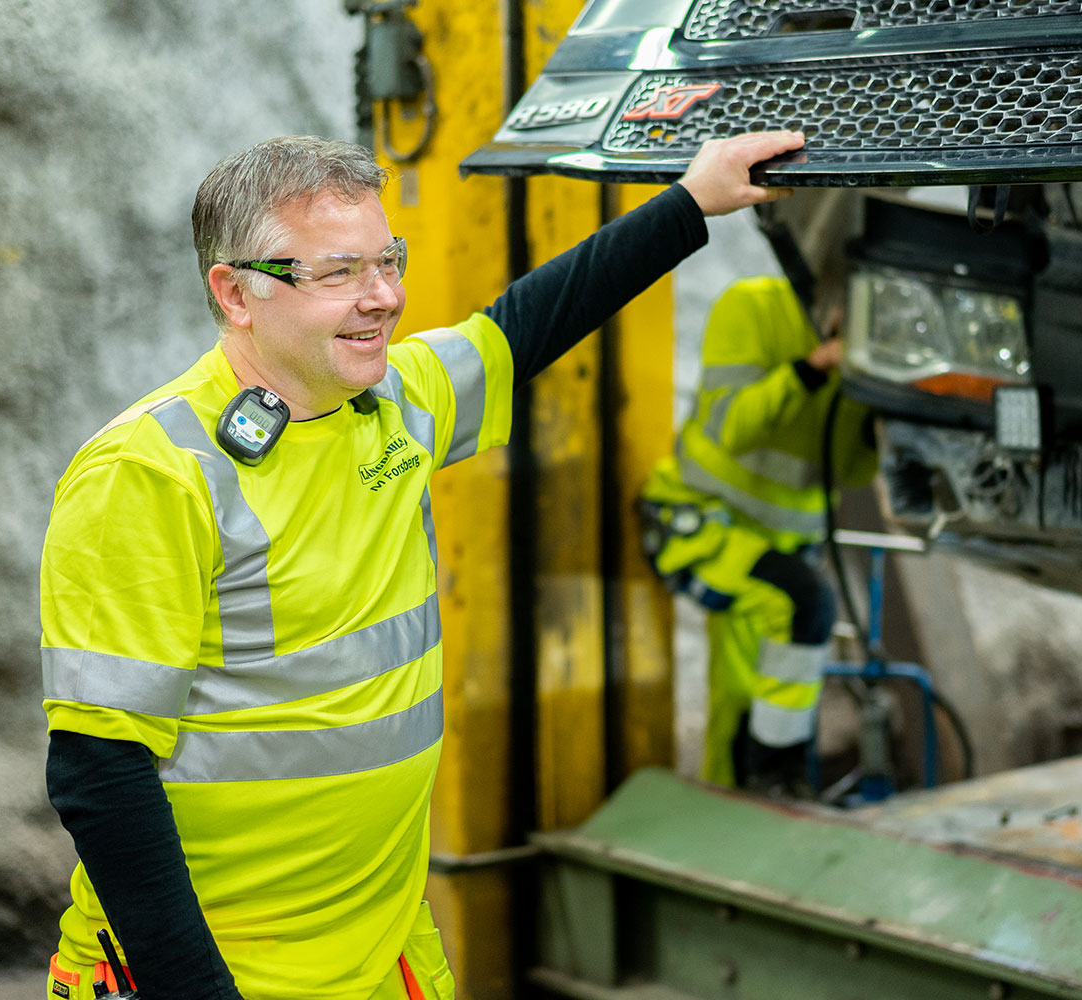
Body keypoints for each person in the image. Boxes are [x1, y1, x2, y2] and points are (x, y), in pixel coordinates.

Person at [40, 129, 807, 1000]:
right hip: (222, 975)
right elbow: (99, 770)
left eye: (387, 261)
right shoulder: (149, 474)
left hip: (382, 956)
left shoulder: (388, 401)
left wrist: (691, 199)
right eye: (338, 273)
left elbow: (524, 326)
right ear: (236, 294)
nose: (384, 298)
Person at [640, 273, 876, 796]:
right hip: (704, 524)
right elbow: (734, 427)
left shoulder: (871, 352)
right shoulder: (752, 308)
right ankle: (774, 783)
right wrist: (814, 369)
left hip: (780, 542)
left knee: (758, 693)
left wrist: (884, 422)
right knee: (802, 605)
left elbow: (850, 469)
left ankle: (751, 800)